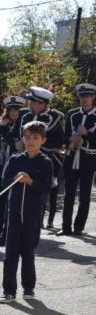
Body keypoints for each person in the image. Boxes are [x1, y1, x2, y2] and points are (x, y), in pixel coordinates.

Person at [0, 121, 53, 303]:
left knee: (28, 252)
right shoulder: (15, 159)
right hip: (14, 213)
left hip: (32, 214)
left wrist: (30, 182)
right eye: (27, 137)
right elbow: (3, 183)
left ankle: (28, 287)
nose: (30, 141)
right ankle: (8, 291)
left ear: (43, 140)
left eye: (35, 138)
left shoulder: (46, 162)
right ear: (23, 138)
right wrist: (14, 179)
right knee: (10, 253)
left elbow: (46, 188)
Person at [13, 87, 65, 229]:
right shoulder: (25, 116)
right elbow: (15, 135)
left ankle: (43, 221)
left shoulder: (56, 117)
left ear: (42, 103)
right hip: (24, 158)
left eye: (33, 102)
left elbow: (59, 141)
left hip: (46, 160)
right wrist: (16, 142)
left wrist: (40, 146)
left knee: (46, 191)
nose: (29, 104)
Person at [0, 96, 26, 244]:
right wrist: (0, 127)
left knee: (12, 201)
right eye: (11, 110)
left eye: (16, 110)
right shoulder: (4, 124)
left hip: (16, 164)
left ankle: (8, 234)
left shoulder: (24, 124)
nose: (14, 113)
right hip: (1, 164)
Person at [61, 83, 96, 236]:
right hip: (71, 157)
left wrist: (87, 134)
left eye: (88, 96)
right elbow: (64, 134)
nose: (85, 99)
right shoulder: (73, 113)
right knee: (69, 193)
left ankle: (78, 227)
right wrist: (70, 138)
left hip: (88, 159)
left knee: (84, 195)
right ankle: (65, 226)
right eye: (82, 96)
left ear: (93, 97)